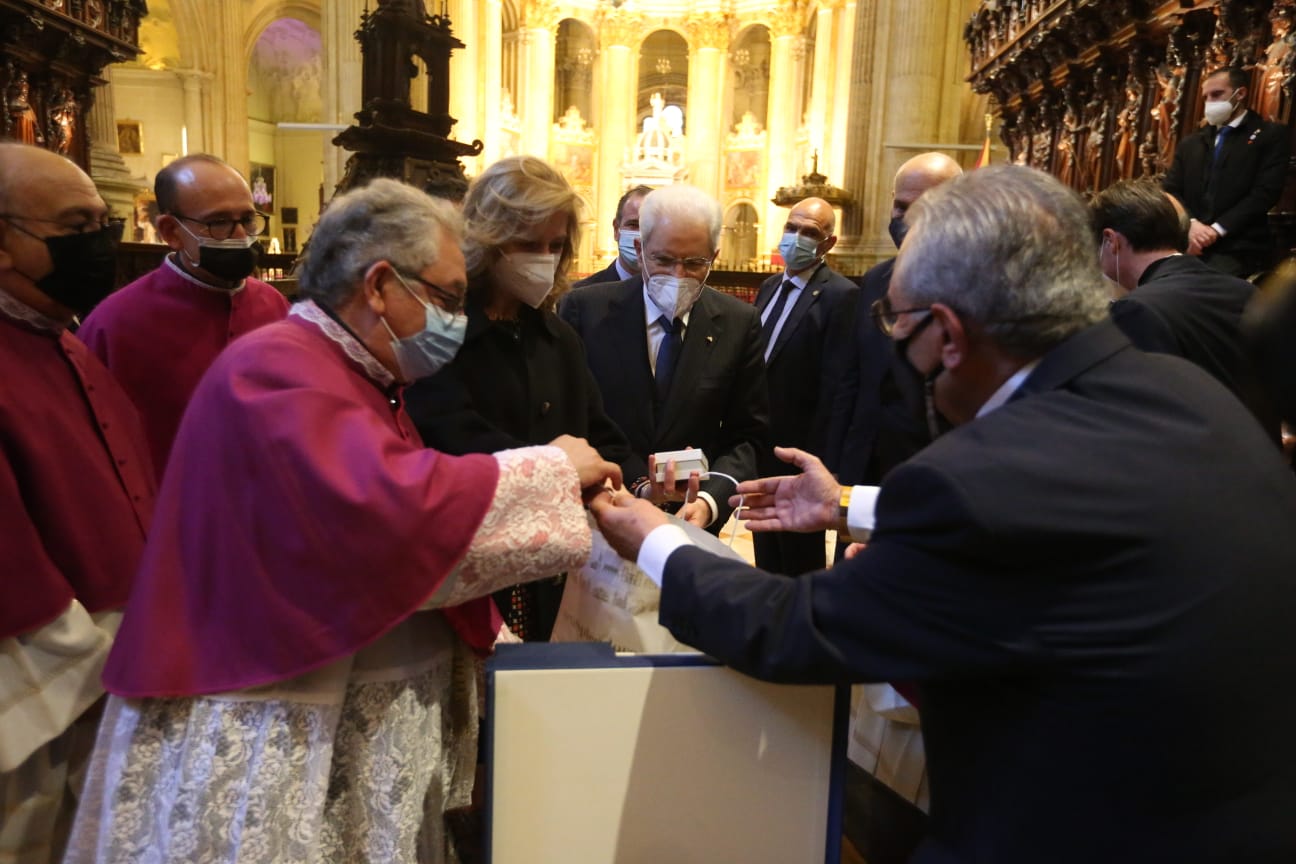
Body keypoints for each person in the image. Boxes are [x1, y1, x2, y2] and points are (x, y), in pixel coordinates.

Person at [591, 165, 1296, 863]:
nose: (898, 346)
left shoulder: (975, 475)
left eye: (898, 324)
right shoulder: (1186, 390)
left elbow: (796, 631)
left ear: (950, 338)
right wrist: (845, 505)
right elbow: (1061, 515)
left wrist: (658, 543)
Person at [64, 178, 621, 863]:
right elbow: (384, 514)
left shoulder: (349, 368)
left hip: (343, 702)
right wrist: (554, 468)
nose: (456, 318)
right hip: (270, 708)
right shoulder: (277, 368)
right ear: (381, 285)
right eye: (446, 297)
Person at [0, 143, 155, 864]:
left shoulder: (58, 336)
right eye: (74, 227)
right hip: (42, 677)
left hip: (113, 663)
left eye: (104, 222)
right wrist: (99, 656)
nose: (99, 244)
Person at [406, 155, 634, 641]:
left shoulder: (558, 336)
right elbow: (449, 442)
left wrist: (621, 482)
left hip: (555, 582)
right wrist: (557, 466)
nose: (545, 259)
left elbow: (601, 436)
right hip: (471, 578)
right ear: (486, 241)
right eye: (528, 245)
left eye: (555, 245)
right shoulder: (444, 333)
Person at [560, 183, 769, 533]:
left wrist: (709, 500)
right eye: (664, 260)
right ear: (640, 249)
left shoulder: (738, 322)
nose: (678, 276)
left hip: (690, 520)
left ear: (714, 257)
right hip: (601, 511)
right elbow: (574, 420)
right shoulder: (585, 311)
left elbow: (746, 436)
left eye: (694, 263)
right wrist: (638, 485)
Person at [78, 153, 290, 476]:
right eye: (218, 222)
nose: (240, 236)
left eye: (247, 220)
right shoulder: (115, 323)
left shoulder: (274, 305)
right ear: (171, 231)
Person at [821, 152, 963, 492]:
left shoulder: (977, 287)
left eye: (921, 209)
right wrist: (836, 465)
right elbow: (852, 379)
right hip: (862, 467)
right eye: (900, 207)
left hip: (930, 473)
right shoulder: (874, 280)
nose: (905, 218)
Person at [1092, 177, 1273, 432]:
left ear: (1111, 240)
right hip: (1264, 460)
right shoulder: (1246, 291)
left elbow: (1140, 417)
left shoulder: (1134, 310)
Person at [751, 197, 855, 576]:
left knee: (798, 555)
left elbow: (837, 385)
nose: (796, 238)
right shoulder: (767, 287)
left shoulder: (840, 296)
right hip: (760, 442)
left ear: (828, 243)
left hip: (801, 451)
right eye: (791, 228)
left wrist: (825, 458)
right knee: (764, 542)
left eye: (809, 233)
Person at [1163, 66, 1290, 278]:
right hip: (1189, 242)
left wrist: (1216, 230)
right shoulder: (1192, 143)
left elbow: (1264, 193)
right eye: (1206, 97)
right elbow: (1170, 190)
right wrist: (1192, 226)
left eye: (1217, 94)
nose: (1210, 102)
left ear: (1240, 94)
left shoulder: (1270, 135)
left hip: (1239, 246)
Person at [573, 184, 652, 288]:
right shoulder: (579, 297)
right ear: (616, 229)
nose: (640, 237)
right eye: (633, 225)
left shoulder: (677, 296)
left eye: (650, 226)